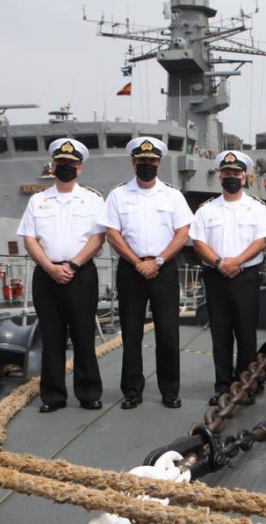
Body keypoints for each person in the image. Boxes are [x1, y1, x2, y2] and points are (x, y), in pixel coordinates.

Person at [98, 136, 193, 409]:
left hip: (163, 270)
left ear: (159, 163)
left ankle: (170, 391)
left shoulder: (172, 196)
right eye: (142, 161)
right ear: (133, 162)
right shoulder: (118, 195)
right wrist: (137, 261)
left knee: (168, 333)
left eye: (152, 161)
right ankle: (132, 391)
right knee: (131, 333)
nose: (147, 165)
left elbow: (182, 233)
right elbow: (112, 234)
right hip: (131, 270)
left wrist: (159, 261)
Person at [17, 138, 104, 413]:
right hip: (47, 276)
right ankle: (53, 397)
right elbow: (29, 239)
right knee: (52, 336)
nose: (66, 168)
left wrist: (74, 265)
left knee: (83, 335)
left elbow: (98, 238)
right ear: (52, 167)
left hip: (82, 275)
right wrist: (50, 267)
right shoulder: (37, 200)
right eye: (61, 164)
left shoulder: (92, 199)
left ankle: (89, 393)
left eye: (71, 165)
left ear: (80, 169)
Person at [190, 150, 266, 406]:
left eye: (236, 173)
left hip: (245, 275)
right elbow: (198, 242)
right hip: (216, 275)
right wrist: (219, 262)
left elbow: (262, 240)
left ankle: (245, 384)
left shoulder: (256, 207)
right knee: (221, 333)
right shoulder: (207, 210)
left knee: (246, 332)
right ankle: (223, 386)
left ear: (245, 176)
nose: (231, 177)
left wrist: (236, 262)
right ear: (219, 176)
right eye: (226, 173)